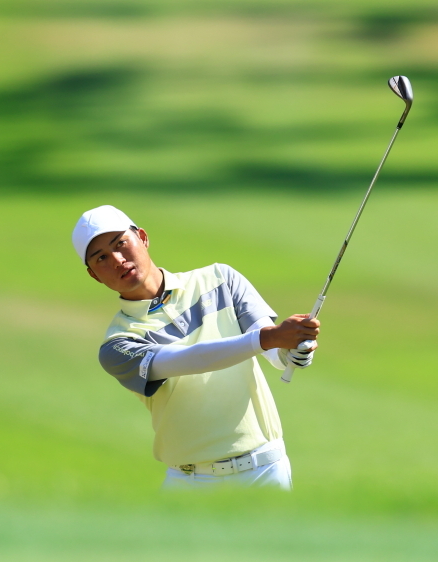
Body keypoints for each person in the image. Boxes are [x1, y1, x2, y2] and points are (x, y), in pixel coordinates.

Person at [72, 204, 319, 490]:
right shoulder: (117, 345)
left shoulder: (220, 279)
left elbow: (273, 351)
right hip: (191, 483)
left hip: (264, 471)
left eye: (121, 243)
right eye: (101, 257)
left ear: (142, 237)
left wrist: (294, 351)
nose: (117, 259)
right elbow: (188, 360)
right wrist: (271, 339)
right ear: (94, 275)